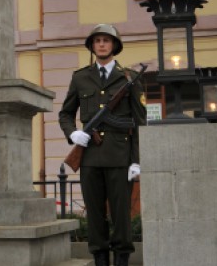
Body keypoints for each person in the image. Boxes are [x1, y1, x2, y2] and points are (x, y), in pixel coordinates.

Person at [59, 24, 147, 266]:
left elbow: (140, 122)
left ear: (114, 46)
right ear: (92, 46)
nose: (101, 44)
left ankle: (121, 261)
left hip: (120, 157)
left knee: (121, 216)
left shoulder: (128, 78)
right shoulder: (80, 77)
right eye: (97, 40)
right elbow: (65, 114)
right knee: (95, 216)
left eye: (106, 40)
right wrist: (73, 133)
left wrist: (137, 160)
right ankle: (99, 260)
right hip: (89, 157)